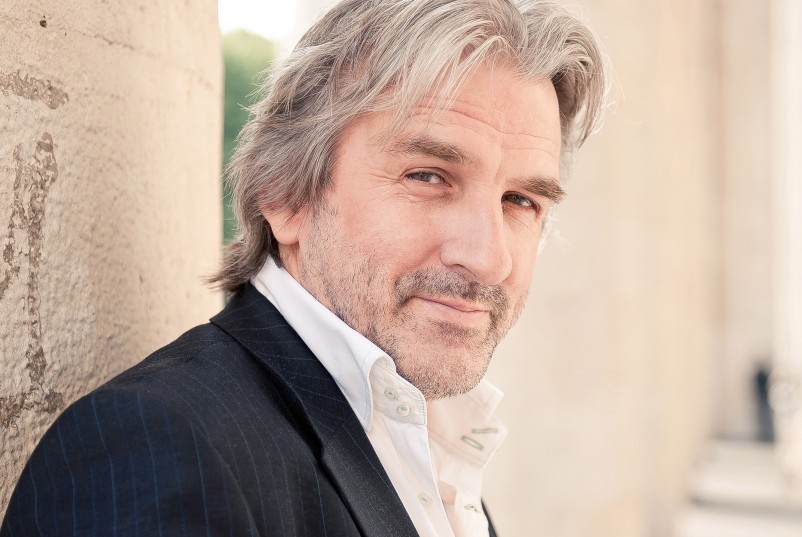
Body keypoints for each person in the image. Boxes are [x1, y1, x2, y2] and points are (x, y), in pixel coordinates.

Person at [1, 0, 607, 535]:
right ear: (286, 193)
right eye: (428, 176)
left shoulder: (429, 441)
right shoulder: (152, 449)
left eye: (521, 201)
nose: (490, 258)